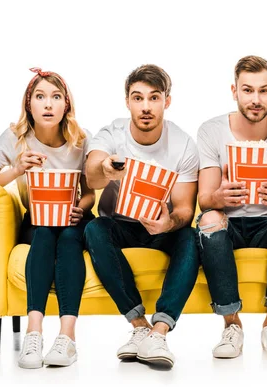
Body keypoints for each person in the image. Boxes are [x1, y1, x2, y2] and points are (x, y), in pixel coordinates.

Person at [0, 68, 96, 369]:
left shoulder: (81, 139)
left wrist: (83, 206)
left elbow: (90, 193)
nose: (48, 104)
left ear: (66, 105)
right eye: (40, 97)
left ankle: (67, 337)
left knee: (65, 238)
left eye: (55, 97)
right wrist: (15, 171)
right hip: (37, 221)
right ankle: (33, 333)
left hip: (72, 221)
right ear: (29, 104)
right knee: (42, 233)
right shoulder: (15, 138)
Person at [84, 64, 200, 368]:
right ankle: (139, 327)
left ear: (167, 101)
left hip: (161, 229)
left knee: (190, 235)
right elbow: (92, 175)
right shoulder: (113, 133)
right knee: (94, 228)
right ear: (127, 102)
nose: (146, 107)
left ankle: (160, 330)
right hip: (119, 227)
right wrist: (105, 169)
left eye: (154, 97)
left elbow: (186, 209)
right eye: (138, 98)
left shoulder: (184, 144)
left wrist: (168, 223)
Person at [195, 56, 267, 359]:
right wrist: (220, 196)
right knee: (209, 219)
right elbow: (205, 199)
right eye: (247, 90)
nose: (255, 99)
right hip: (228, 224)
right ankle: (231, 325)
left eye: (262, 91)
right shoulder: (211, 130)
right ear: (234, 91)